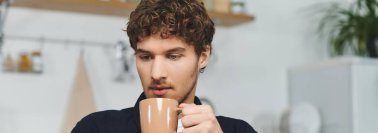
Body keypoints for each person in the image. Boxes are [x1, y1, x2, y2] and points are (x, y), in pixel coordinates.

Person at [72, 0, 257, 132]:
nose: (156, 73)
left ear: (203, 56)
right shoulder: (95, 128)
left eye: (173, 56)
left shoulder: (237, 130)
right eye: (145, 57)